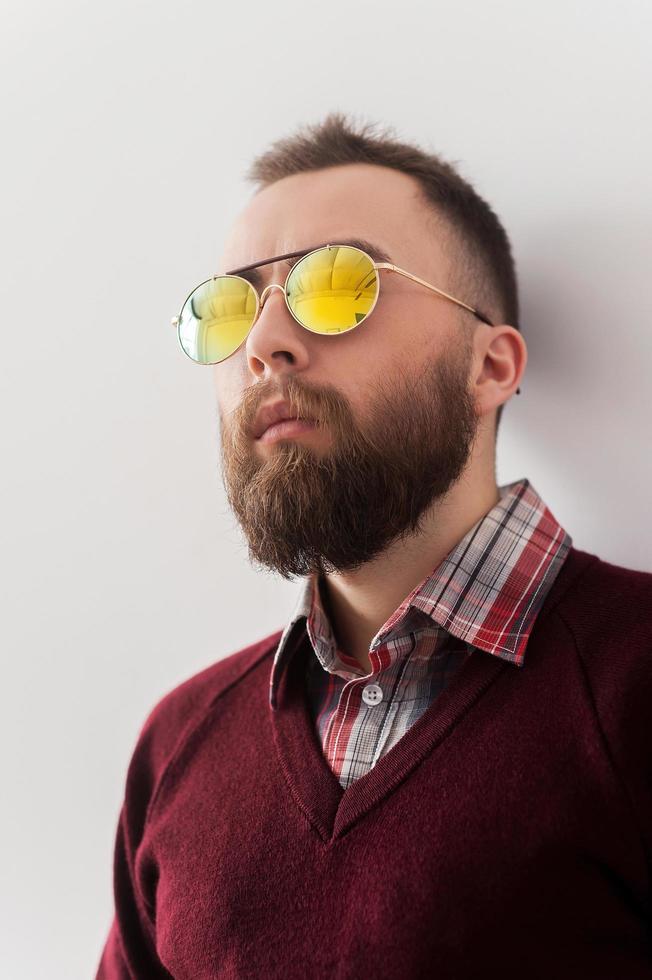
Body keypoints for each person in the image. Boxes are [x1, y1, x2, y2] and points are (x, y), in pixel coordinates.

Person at [96, 113, 652, 979]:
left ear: (491, 367)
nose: (264, 345)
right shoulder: (177, 748)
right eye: (232, 307)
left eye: (337, 286)